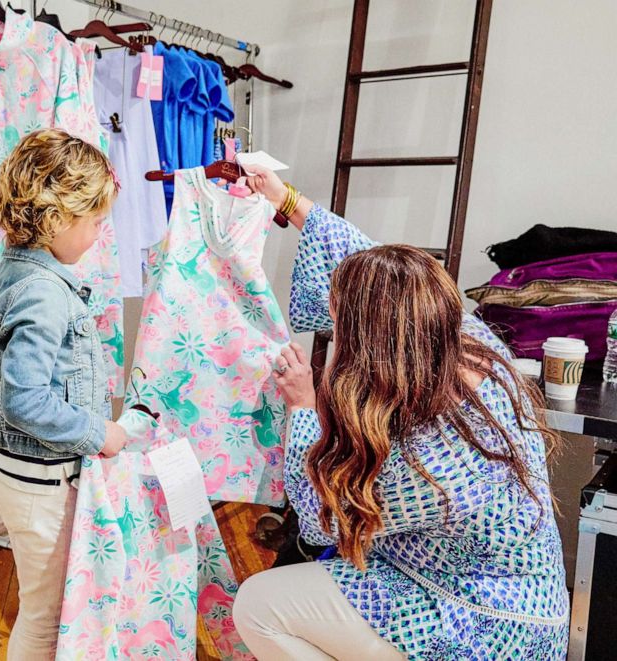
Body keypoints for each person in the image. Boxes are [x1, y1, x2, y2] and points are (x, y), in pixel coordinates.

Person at [232, 167, 569, 660]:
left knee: (259, 606)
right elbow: (374, 268)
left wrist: (304, 407)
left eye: (342, 323)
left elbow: (324, 521)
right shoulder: (465, 339)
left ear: (372, 346)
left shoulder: (435, 463)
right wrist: (285, 199)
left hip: (486, 626)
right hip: (488, 589)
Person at [0, 129, 129, 661]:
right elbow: (25, 400)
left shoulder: (19, 271)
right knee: (48, 612)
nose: (98, 235)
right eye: (96, 222)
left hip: (19, 471)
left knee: (47, 604)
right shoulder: (42, 291)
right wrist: (98, 433)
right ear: (59, 218)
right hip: (39, 482)